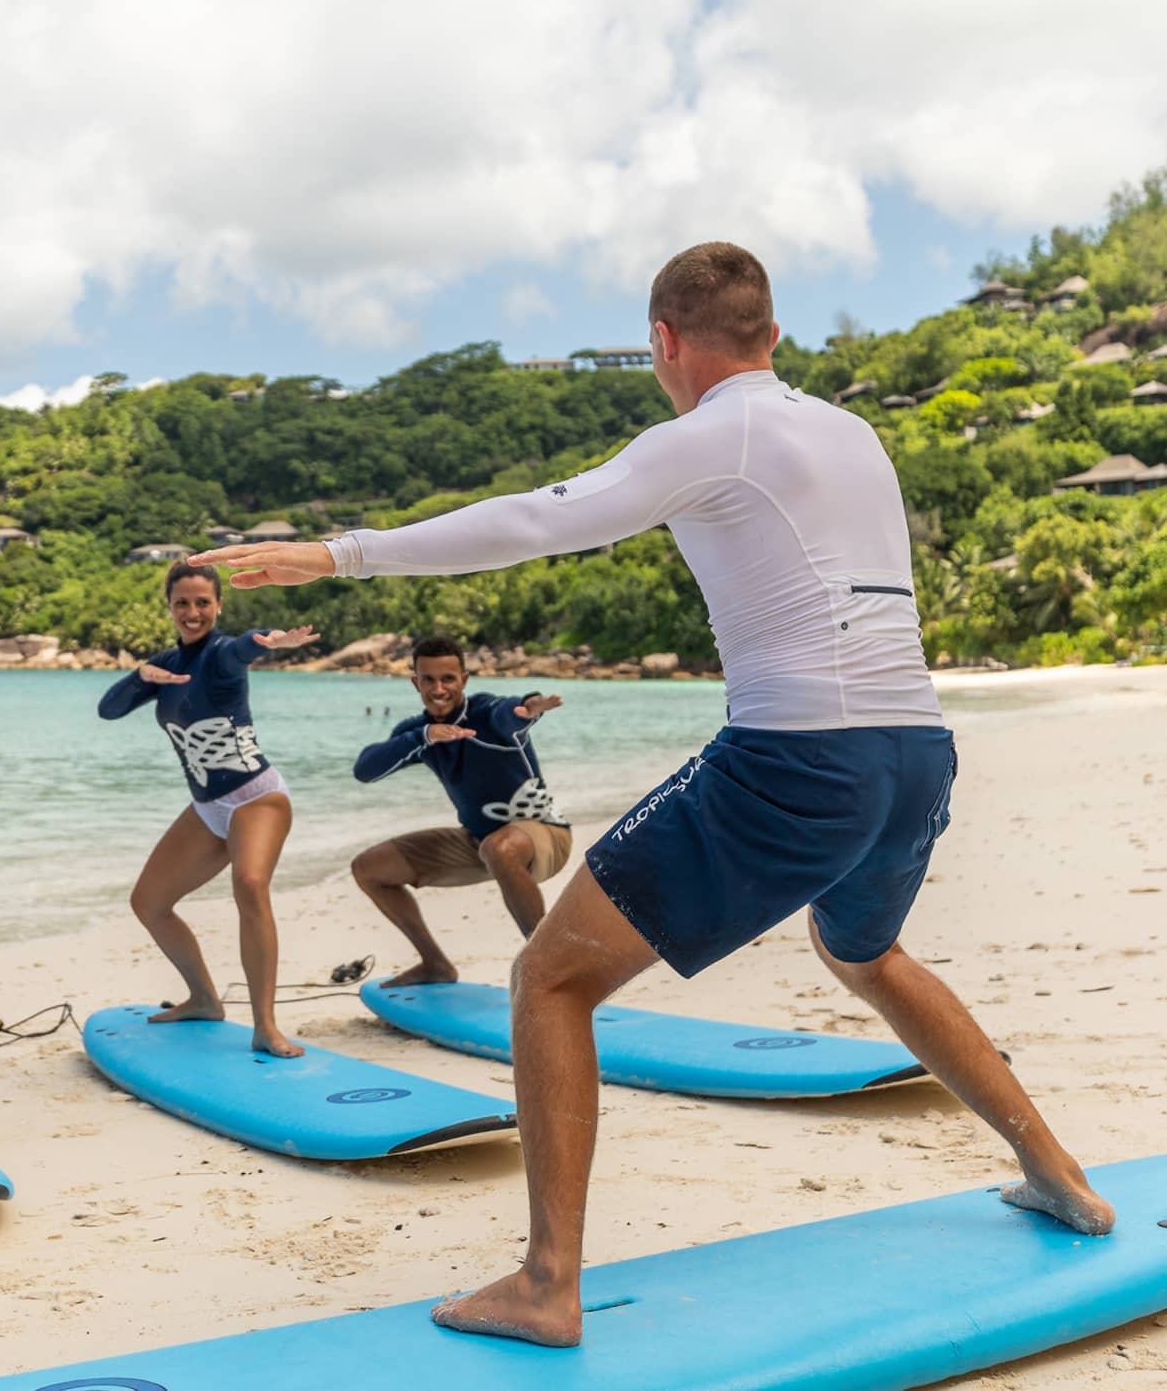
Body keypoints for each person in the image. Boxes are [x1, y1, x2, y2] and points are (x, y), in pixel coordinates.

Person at [191, 241, 1114, 1344]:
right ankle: (1057, 1172)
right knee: (866, 953)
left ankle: (547, 1284)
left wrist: (340, 556)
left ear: (665, 344)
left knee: (550, 979)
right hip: (914, 753)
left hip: (798, 758)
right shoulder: (851, 432)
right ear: (773, 334)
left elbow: (535, 520)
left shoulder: (710, 433)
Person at [97, 561, 318, 1058]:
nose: (192, 612)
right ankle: (203, 997)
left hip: (257, 797)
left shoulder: (222, 654)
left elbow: (246, 644)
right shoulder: (166, 665)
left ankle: (266, 1026)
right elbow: (108, 710)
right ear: (170, 607)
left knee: (250, 885)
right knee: (149, 902)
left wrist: (268, 641)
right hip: (207, 807)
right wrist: (139, 676)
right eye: (182, 603)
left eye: (202, 602)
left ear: (218, 605)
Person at [350, 634, 570, 985]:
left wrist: (528, 707)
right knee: (369, 868)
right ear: (415, 683)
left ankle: (550, 968)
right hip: (478, 843)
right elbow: (365, 770)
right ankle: (435, 965)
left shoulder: (485, 712)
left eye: (448, 679)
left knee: (499, 847)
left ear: (464, 680)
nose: (439, 688)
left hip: (544, 835)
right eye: (429, 680)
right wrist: (423, 737)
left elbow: (509, 713)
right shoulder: (419, 733)